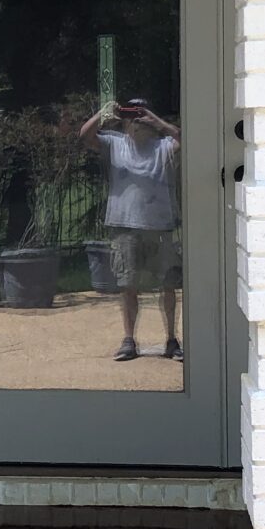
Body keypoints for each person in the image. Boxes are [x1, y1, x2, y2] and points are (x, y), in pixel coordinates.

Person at [79, 98, 183, 362]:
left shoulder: (163, 146)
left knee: (168, 285)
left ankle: (171, 340)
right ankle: (129, 340)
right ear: (124, 121)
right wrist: (102, 114)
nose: (136, 120)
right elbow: (85, 136)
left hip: (160, 227)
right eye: (131, 114)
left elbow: (185, 140)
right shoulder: (115, 143)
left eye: (140, 114)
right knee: (128, 285)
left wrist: (157, 121)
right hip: (125, 226)